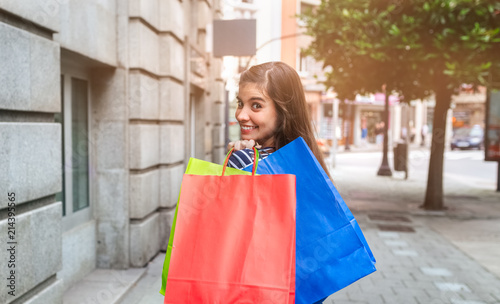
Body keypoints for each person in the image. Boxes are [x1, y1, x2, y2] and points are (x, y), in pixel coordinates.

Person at [226, 61, 331, 179]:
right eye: (240, 103)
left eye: (256, 105)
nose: (240, 116)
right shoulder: (308, 163)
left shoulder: (244, 161)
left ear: (283, 112)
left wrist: (238, 159)